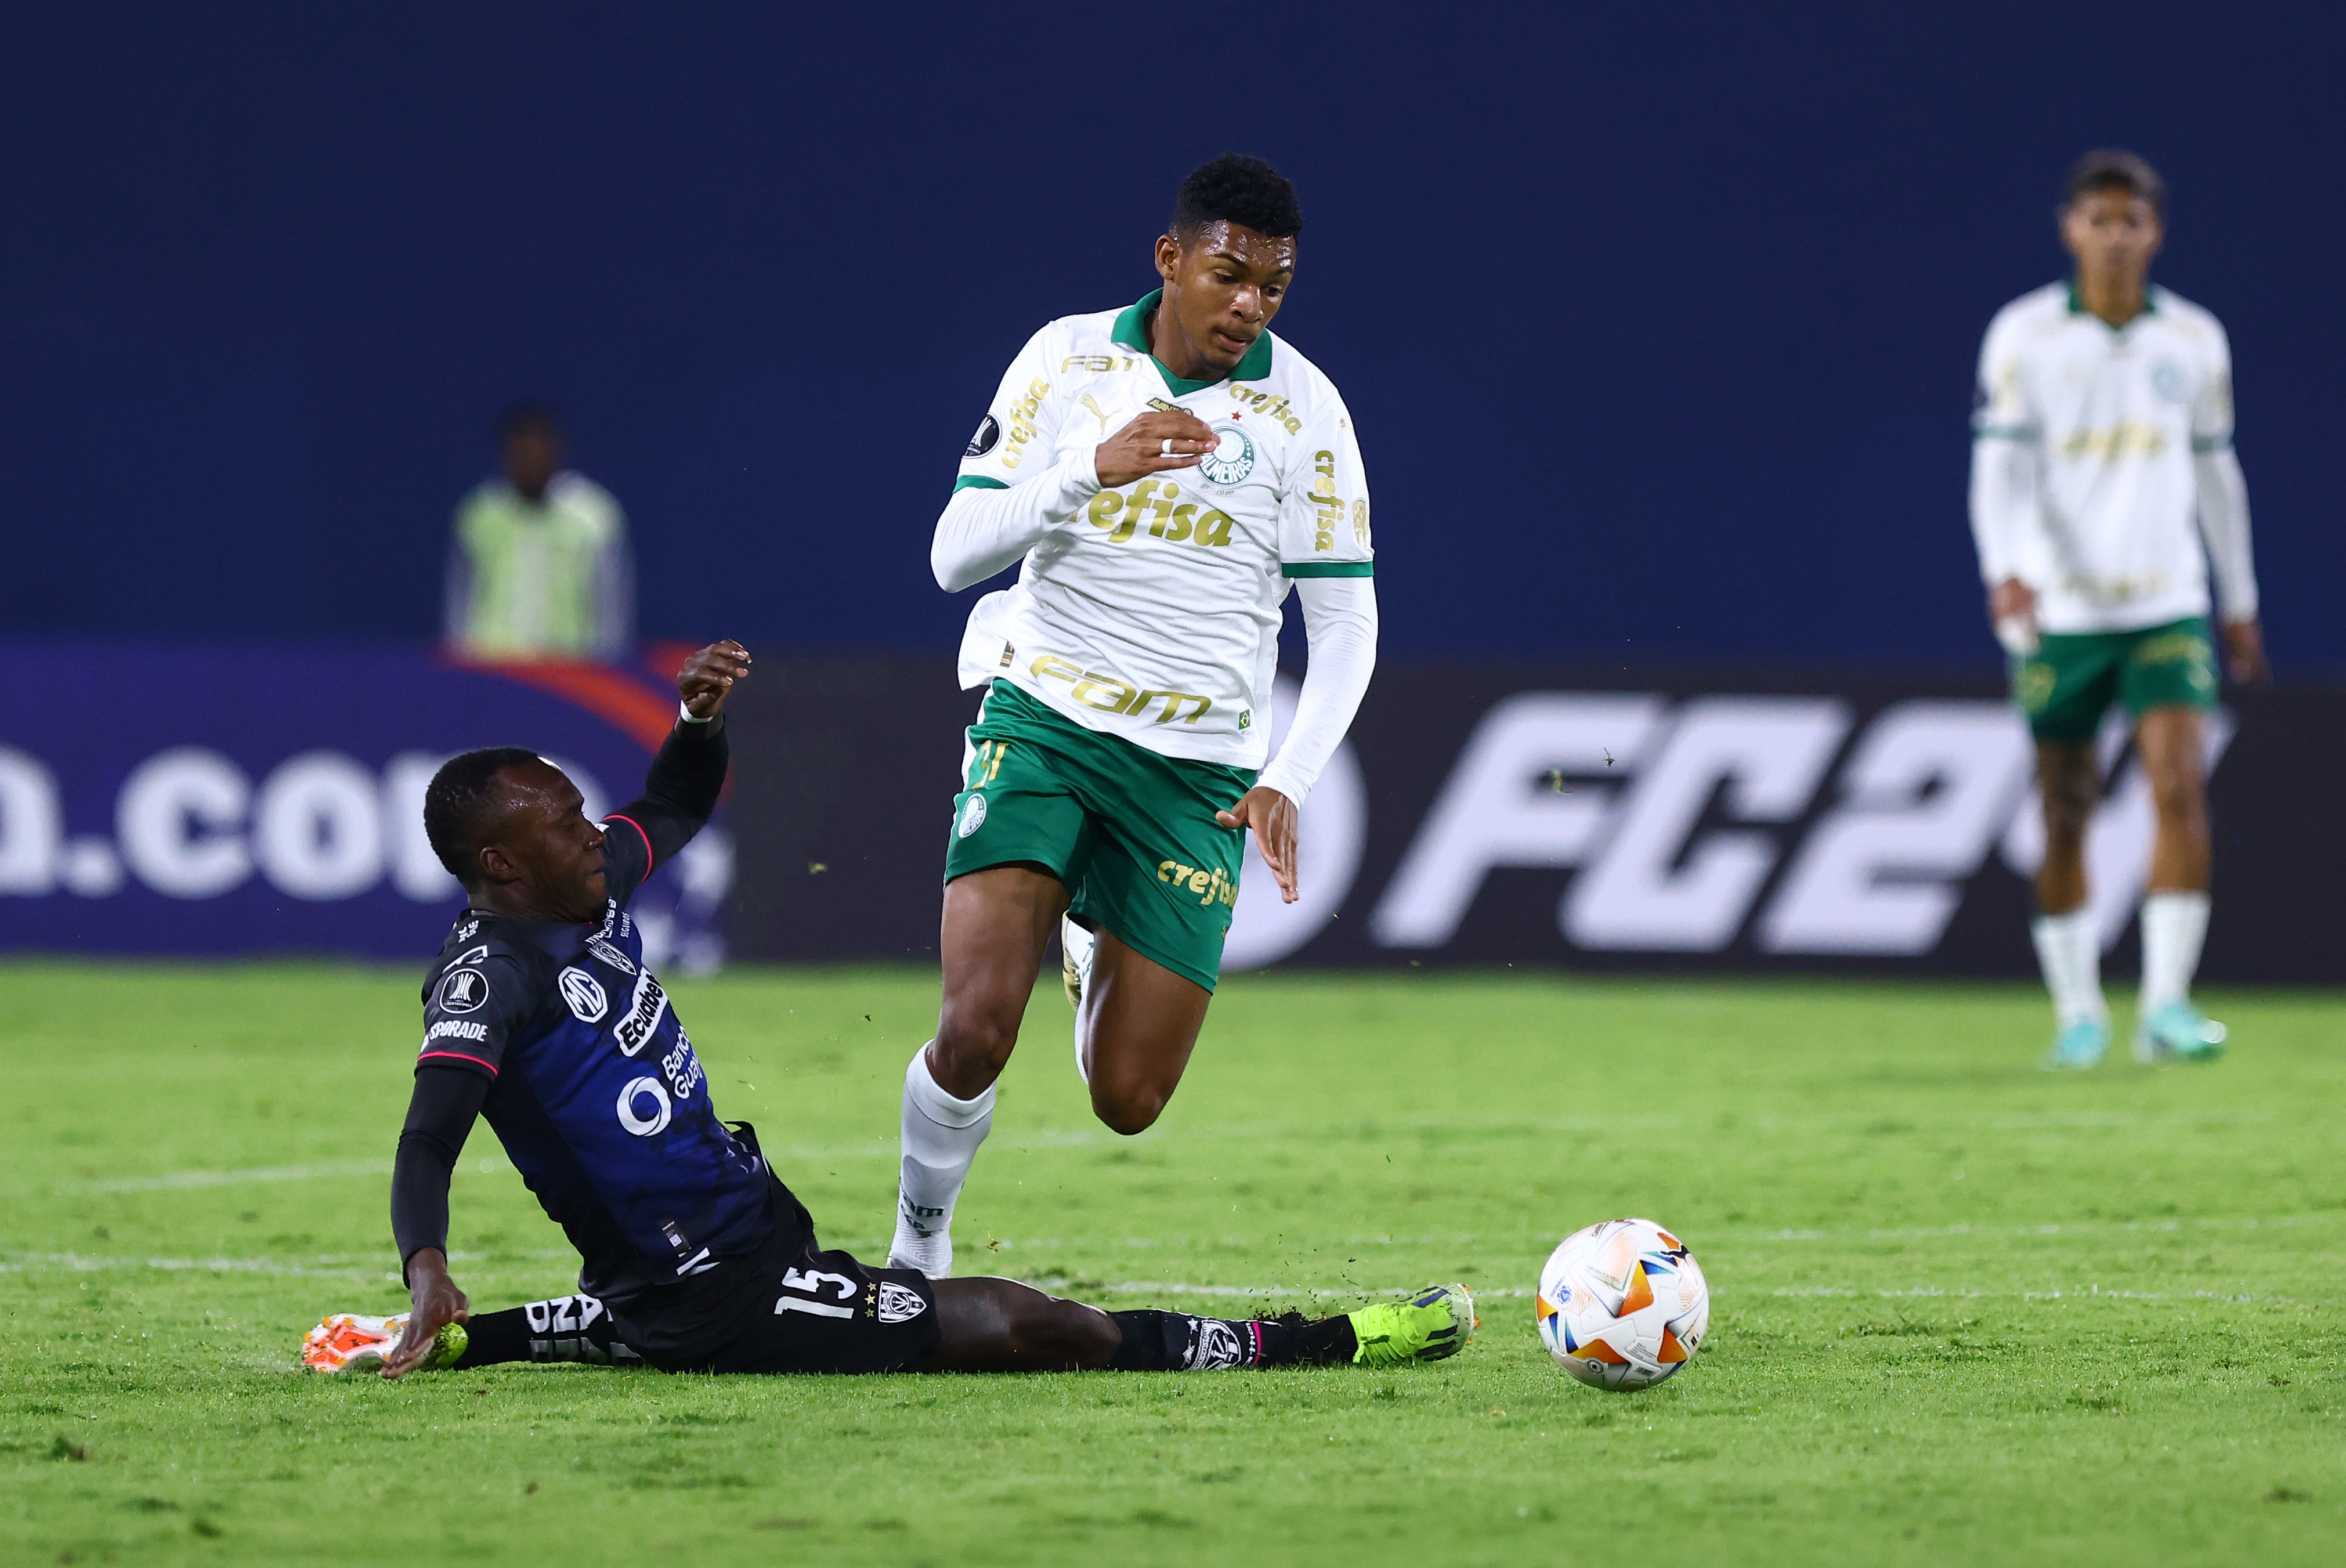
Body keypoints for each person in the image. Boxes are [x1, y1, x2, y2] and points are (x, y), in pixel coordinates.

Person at [301, 640, 1470, 1381]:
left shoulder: (588, 877)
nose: (591, 829)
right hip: (716, 1293)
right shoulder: (485, 979)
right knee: (1031, 1327)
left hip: (739, 1236)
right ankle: (1332, 1340)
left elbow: (674, 800)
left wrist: (699, 723)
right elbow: (426, 1136)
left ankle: (490, 1337)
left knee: (634, 1314)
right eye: (561, 821)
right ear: (501, 865)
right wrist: (425, 1265)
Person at [892, 153, 1378, 1278]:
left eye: (1273, 286)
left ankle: (1083, 943)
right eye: (1227, 274)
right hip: (1045, 718)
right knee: (974, 1028)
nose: (1248, 303)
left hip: (1193, 772)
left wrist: (1286, 777)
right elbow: (951, 557)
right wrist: (1085, 473)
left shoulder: (1306, 414)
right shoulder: (1065, 363)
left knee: (1128, 1099)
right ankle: (916, 1250)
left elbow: (1345, 628)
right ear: (1169, 260)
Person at [1969, 150, 2264, 1071]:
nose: (2114, 235)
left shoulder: (2194, 339)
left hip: (2166, 601)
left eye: (2130, 220)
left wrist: (2239, 596)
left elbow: (2217, 470)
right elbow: (1998, 467)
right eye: (2097, 219)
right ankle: (2077, 1011)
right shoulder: (2024, 337)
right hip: (2062, 607)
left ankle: (2168, 1005)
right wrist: (2005, 568)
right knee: (2065, 806)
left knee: (2179, 785)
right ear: (2070, 230)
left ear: (2154, 233)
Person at [445, 402, 634, 662]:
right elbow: (461, 597)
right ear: (507, 457)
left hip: (570, 670)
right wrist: (462, 662)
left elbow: (611, 605)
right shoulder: (480, 514)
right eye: (522, 455)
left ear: (556, 453)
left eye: (538, 454)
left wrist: (605, 666)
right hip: (494, 669)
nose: (530, 464)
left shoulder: (593, 515)